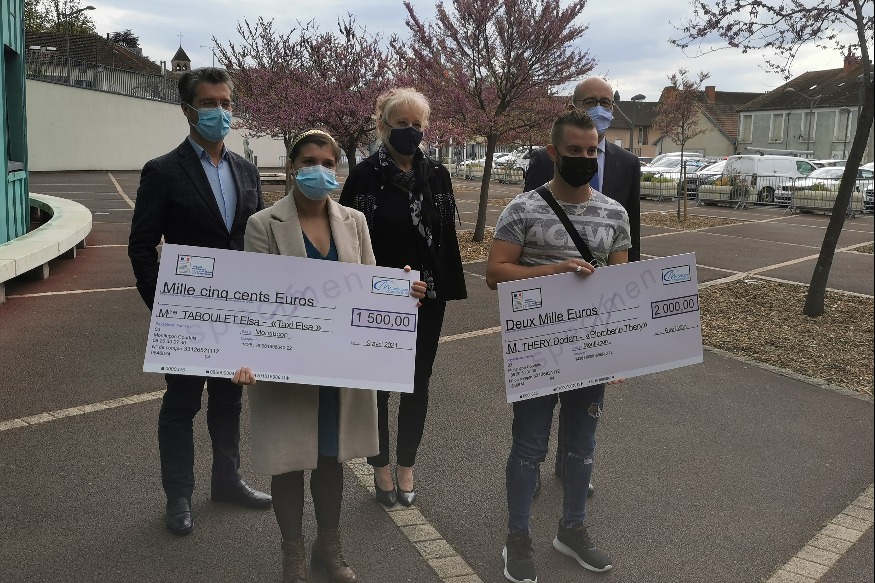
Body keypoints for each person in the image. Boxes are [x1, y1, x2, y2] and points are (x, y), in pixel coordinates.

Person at [232, 129, 427, 583]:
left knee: (330, 457)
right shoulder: (263, 224)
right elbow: (250, 299)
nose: (319, 170)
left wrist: (400, 292)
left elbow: (369, 283)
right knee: (287, 461)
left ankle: (329, 546)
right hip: (285, 366)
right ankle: (293, 554)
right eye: (309, 162)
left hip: (339, 365)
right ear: (292, 167)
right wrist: (241, 355)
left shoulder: (354, 221)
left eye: (327, 162)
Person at [486, 109, 630, 581]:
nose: (584, 159)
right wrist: (554, 271)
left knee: (582, 445)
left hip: (590, 351)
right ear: (553, 153)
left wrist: (622, 350)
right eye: (574, 151)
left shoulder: (615, 213)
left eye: (591, 151)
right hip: (536, 351)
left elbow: (620, 286)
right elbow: (495, 274)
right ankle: (517, 538)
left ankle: (572, 529)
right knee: (529, 445)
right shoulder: (522, 209)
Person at [128, 66, 271, 536]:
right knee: (181, 405)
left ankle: (227, 481)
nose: (219, 112)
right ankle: (179, 495)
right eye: (209, 103)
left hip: (236, 315)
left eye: (226, 103)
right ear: (187, 109)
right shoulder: (163, 171)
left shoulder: (246, 171)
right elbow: (142, 246)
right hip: (186, 318)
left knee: (229, 400)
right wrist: (164, 308)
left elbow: (258, 240)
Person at [339, 87, 467, 507]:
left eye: (417, 124)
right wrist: (373, 286)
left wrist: (441, 284)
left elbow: (445, 237)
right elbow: (350, 241)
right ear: (383, 125)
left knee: (417, 382)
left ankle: (407, 465)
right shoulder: (364, 176)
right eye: (400, 123)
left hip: (426, 298)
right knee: (377, 385)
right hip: (376, 297)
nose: (409, 131)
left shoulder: (437, 174)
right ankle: (380, 466)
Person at [524, 77, 642, 494]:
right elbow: (528, 224)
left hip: (598, 297)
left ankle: (571, 465)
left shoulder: (628, 163)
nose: (601, 107)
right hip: (551, 296)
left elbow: (631, 234)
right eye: (591, 101)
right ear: (573, 105)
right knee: (541, 392)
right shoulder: (543, 159)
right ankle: (530, 466)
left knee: (584, 392)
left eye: (607, 101)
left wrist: (627, 306)